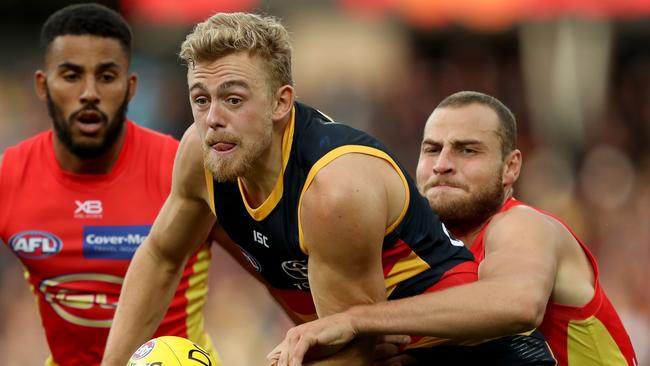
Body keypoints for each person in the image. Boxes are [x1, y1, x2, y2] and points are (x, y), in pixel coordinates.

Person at [100, 13, 561, 366]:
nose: (213, 118)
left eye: (234, 99)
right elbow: (160, 258)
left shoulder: (333, 188)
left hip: (479, 353)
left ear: (281, 103)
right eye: (201, 100)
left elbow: (356, 350)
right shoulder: (202, 153)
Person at [267, 91, 638, 366]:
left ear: (511, 168)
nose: (442, 164)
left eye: (467, 151)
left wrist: (355, 321)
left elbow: (516, 304)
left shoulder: (523, 225)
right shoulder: (424, 261)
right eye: (431, 150)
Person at [0, 4, 218, 366]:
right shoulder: (10, 177)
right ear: (43, 85)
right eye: (71, 76)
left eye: (106, 76)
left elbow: (281, 276)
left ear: (130, 87)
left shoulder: (184, 169)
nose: (89, 93)